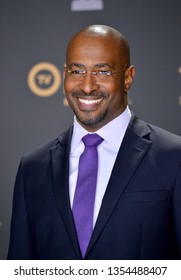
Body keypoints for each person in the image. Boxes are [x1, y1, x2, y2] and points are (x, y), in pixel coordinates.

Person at [8, 24, 181, 260]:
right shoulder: (32, 168)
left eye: (102, 72)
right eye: (76, 71)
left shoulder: (174, 158)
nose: (87, 86)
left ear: (128, 78)